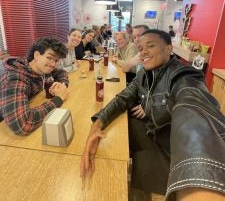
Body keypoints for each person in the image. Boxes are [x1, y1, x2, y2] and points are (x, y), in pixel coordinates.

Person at [80, 29, 225, 201]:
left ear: (168, 49)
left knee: (117, 169)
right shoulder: (143, 74)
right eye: (141, 48)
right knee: (111, 141)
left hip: (170, 154)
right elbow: (122, 99)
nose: (144, 51)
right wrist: (96, 126)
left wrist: (200, 177)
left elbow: (193, 110)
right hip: (152, 133)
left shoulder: (183, 75)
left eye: (151, 45)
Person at [0, 37, 69, 135]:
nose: (53, 64)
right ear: (36, 55)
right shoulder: (14, 78)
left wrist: (62, 85)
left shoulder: (39, 67)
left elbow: (61, 73)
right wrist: (59, 98)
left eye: (56, 60)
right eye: (49, 57)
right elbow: (23, 124)